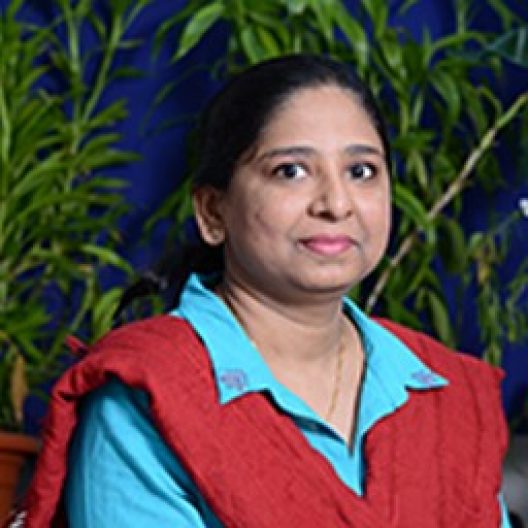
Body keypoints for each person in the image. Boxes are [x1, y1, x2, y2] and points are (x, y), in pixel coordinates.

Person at [19, 54, 511, 527]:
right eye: (290, 171)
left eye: (361, 171)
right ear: (213, 212)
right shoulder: (149, 392)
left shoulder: (445, 393)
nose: (336, 203)